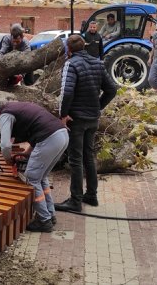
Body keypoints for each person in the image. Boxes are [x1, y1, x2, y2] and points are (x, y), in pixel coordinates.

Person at [54, 35, 118, 213]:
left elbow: (66, 93)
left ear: (69, 49)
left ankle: (75, 201)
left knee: (75, 159)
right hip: (92, 118)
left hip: (76, 119)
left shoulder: (71, 64)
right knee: (88, 156)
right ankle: (91, 195)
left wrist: (63, 115)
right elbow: (112, 89)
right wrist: (98, 107)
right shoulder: (97, 63)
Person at [0, 101, 69, 232]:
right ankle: (50, 214)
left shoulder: (5, 115)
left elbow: (5, 145)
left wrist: (7, 160)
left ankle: (44, 220)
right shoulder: (17, 107)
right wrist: (27, 152)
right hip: (62, 135)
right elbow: (37, 130)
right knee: (41, 177)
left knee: (31, 178)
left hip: (50, 138)